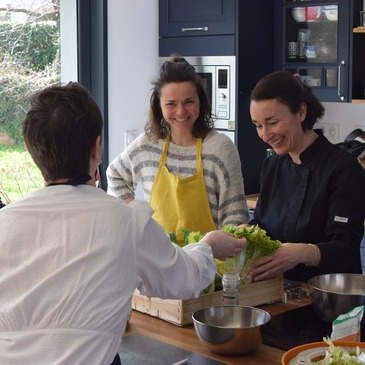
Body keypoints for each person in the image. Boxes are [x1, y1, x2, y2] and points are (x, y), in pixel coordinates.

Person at [0, 82, 246, 365]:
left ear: (32, 152)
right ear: (97, 146)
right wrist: (208, 246)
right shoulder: (127, 222)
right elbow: (184, 280)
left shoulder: (4, 221)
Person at [107, 55, 249, 244]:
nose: (181, 112)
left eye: (189, 102)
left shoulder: (221, 149)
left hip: (209, 266)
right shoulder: (148, 145)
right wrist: (136, 214)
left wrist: (225, 247)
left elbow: (236, 217)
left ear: (201, 101)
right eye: (171, 104)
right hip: (159, 263)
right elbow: (115, 174)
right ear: (159, 106)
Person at [248, 70, 365, 283]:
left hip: (326, 301)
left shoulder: (343, 169)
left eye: (272, 122)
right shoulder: (272, 165)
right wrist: (245, 233)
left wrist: (303, 253)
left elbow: (345, 249)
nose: (265, 135)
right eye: (258, 125)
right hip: (277, 294)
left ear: (301, 112)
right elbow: (262, 224)